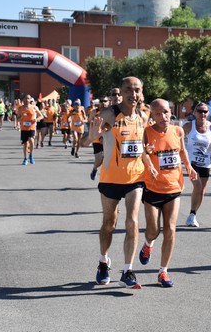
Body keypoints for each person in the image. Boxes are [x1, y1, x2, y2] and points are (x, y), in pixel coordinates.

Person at [81, 77, 147, 289]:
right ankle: (103, 262)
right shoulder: (109, 114)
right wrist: (91, 137)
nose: (133, 94)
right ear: (122, 92)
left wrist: (151, 160)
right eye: (129, 90)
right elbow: (84, 141)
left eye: (137, 90)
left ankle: (128, 270)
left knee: (133, 222)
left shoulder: (142, 116)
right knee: (109, 224)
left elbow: (143, 147)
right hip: (110, 178)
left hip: (135, 178)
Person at [139, 98, 197, 287]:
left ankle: (163, 272)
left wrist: (189, 167)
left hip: (173, 187)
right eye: (158, 113)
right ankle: (148, 245)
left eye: (166, 112)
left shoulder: (177, 130)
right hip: (153, 188)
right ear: (152, 116)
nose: (163, 116)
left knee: (170, 229)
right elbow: (143, 153)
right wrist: (148, 160)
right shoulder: (147, 133)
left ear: (170, 111)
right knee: (153, 230)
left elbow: (182, 151)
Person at [182, 102, 211, 227]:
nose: (202, 114)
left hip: (205, 162)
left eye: (205, 111)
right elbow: (177, 138)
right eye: (200, 111)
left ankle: (193, 214)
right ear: (195, 112)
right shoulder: (189, 126)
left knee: (202, 191)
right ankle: (192, 215)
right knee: (197, 187)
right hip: (192, 162)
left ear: (208, 113)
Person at [89, 96, 110, 180]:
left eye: (105, 101)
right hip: (97, 139)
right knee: (99, 160)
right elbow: (89, 122)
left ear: (108, 102)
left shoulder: (111, 113)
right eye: (101, 101)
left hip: (108, 139)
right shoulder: (94, 112)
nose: (103, 103)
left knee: (108, 159)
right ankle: (95, 168)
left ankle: (107, 177)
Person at [17, 95, 41, 165]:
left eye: (28, 98)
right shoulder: (20, 108)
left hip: (32, 127)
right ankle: (25, 159)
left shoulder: (34, 107)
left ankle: (31, 155)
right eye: (26, 98)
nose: (27, 100)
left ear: (30, 99)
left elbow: (41, 116)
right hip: (24, 128)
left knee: (31, 140)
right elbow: (17, 120)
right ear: (23, 99)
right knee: (25, 144)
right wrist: (22, 116)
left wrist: (36, 119)